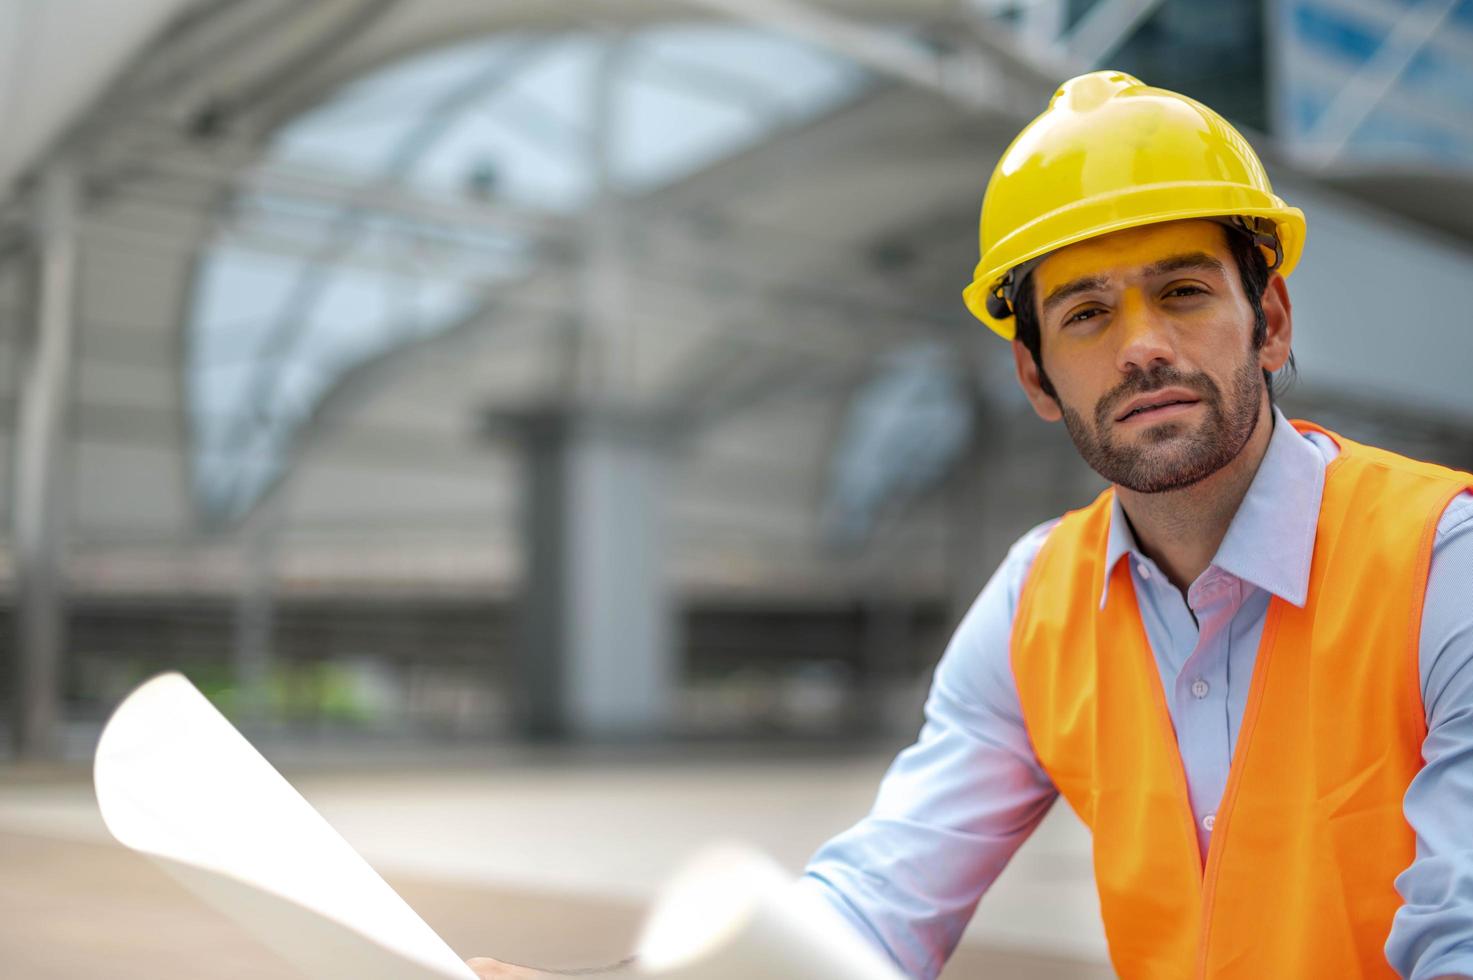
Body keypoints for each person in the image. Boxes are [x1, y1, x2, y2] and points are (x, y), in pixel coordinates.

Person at [469, 70, 1473, 979]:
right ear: (1035, 374)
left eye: (1183, 291)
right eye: (1087, 314)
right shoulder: (1036, 606)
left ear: (1274, 320)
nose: (1143, 347)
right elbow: (874, 904)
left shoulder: (1441, 563)